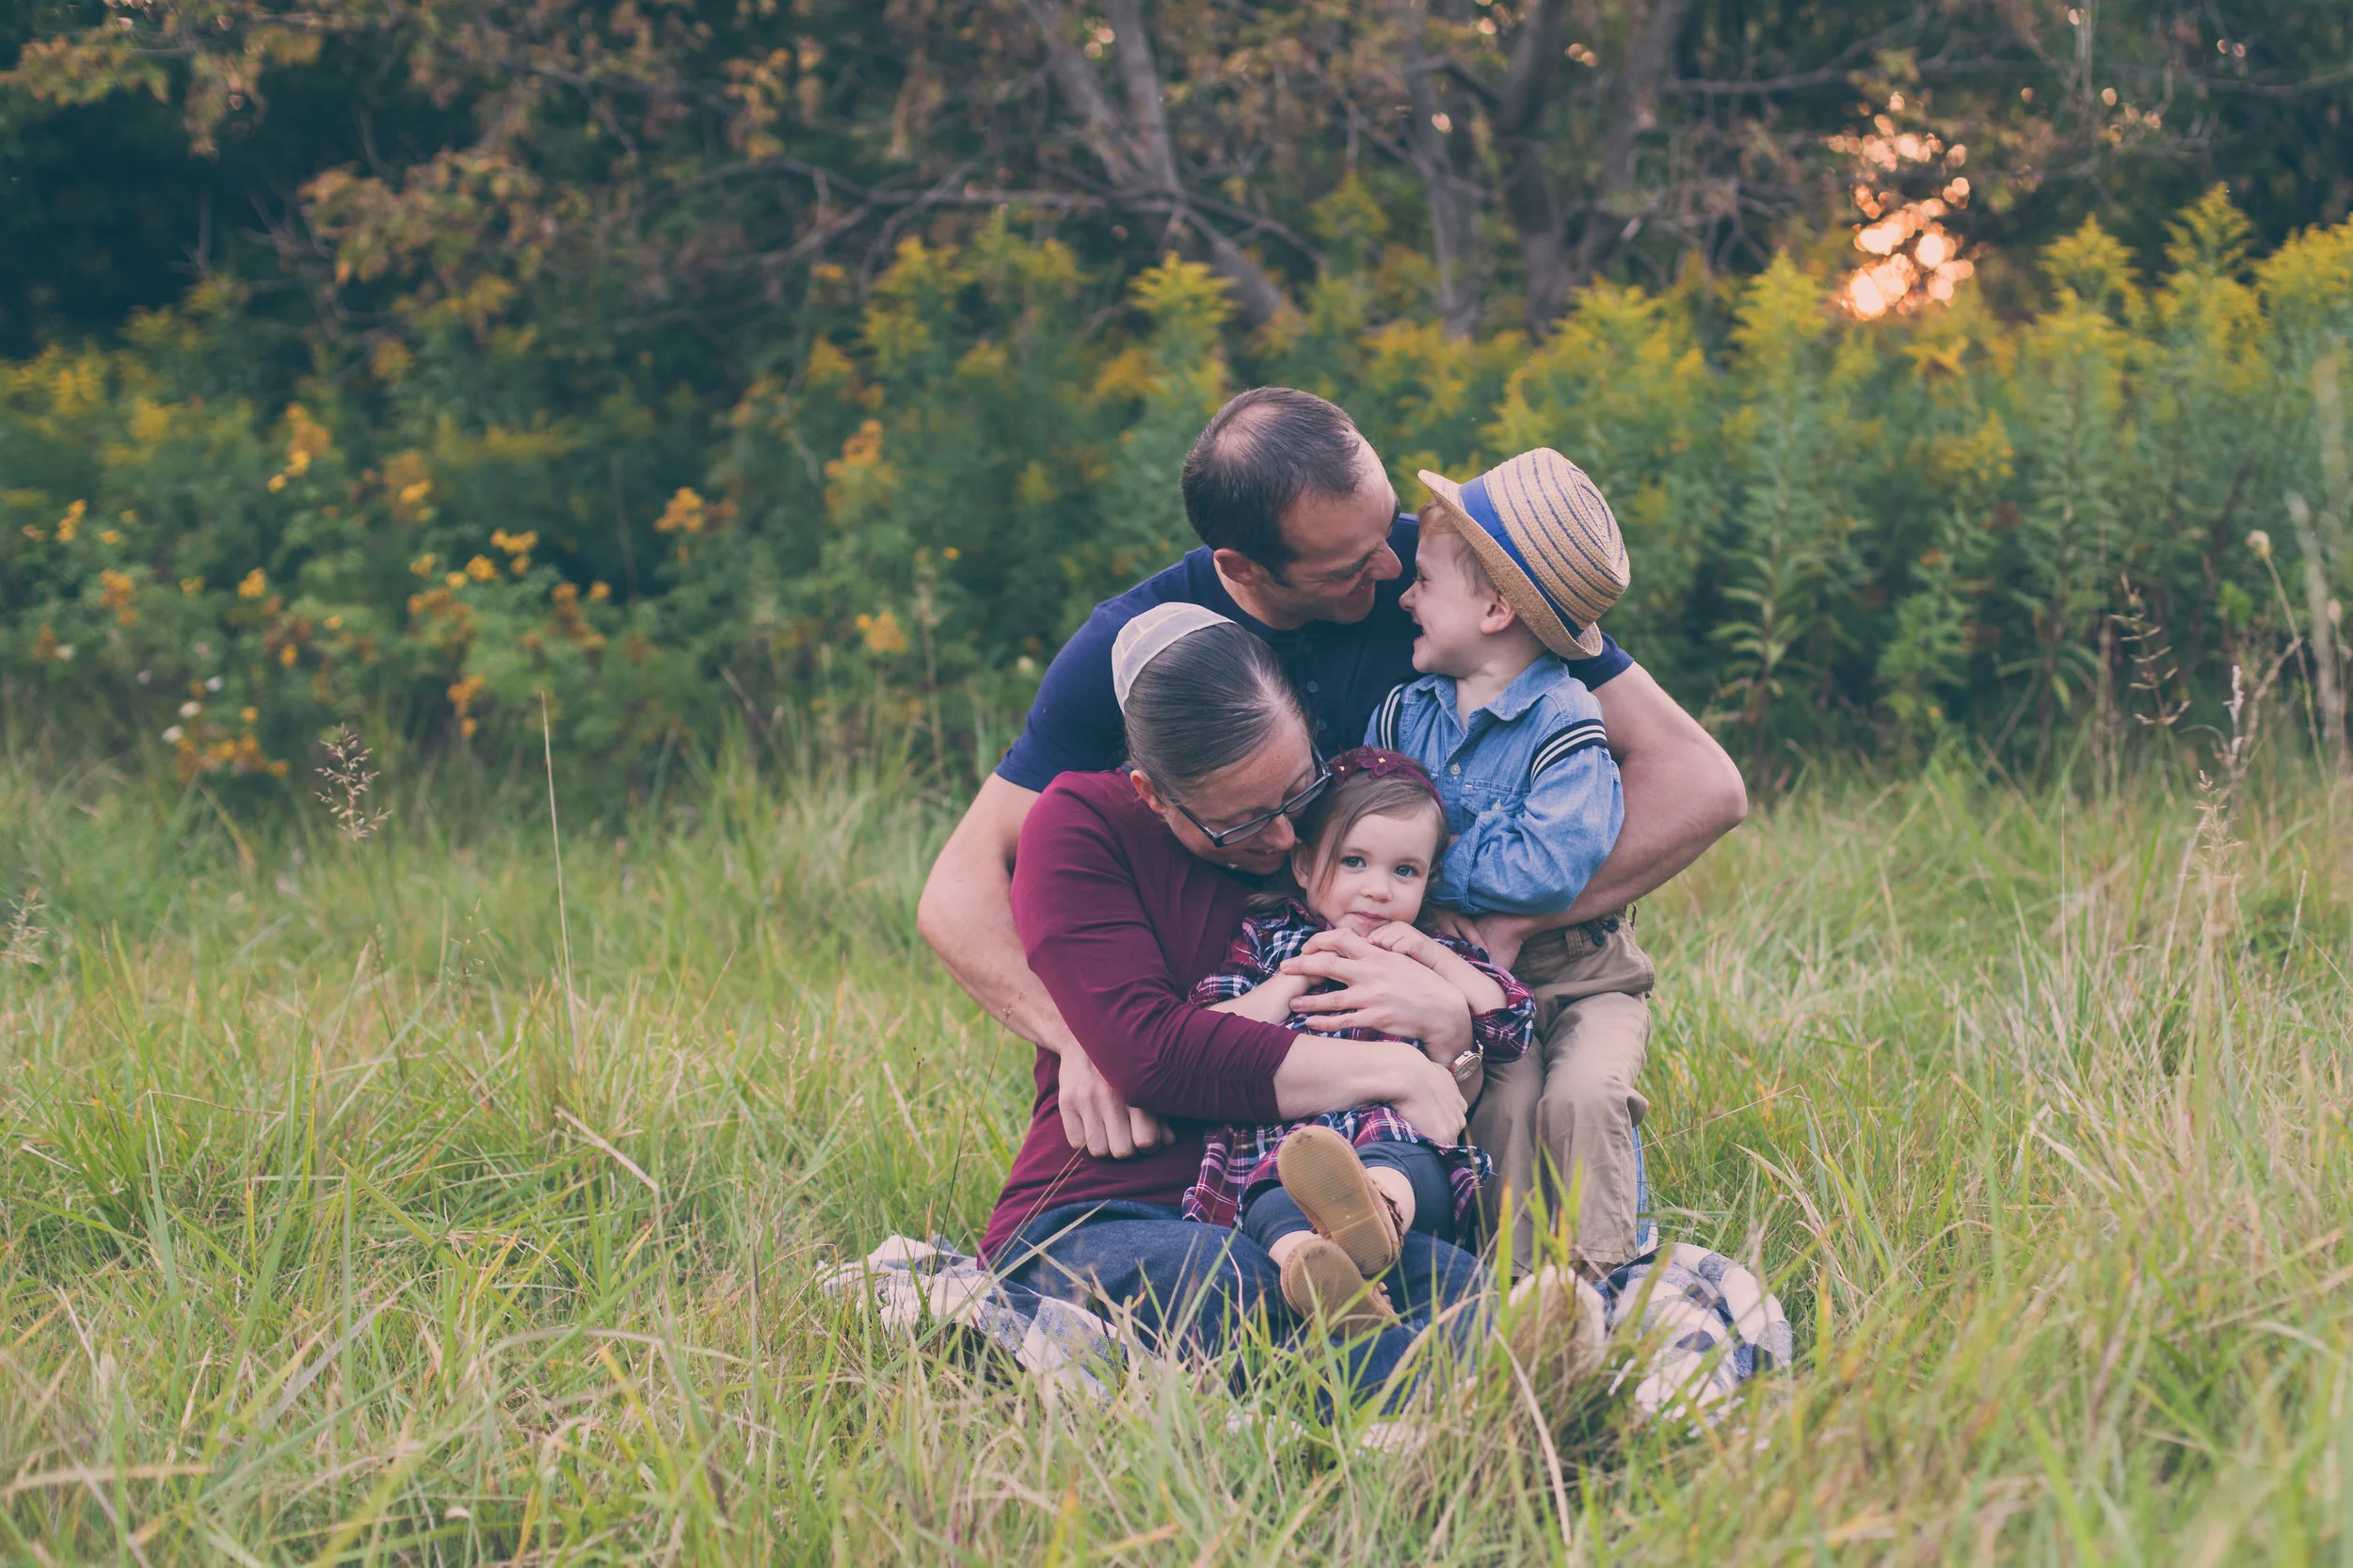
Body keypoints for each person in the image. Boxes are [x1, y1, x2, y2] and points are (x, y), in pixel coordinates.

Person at [918, 387, 1745, 1183]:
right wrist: (1089, 1043)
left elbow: (1699, 783)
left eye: (1391, 531)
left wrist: (1499, 925)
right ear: (1242, 565)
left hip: (1418, 962)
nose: (1391, 569)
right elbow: (957, 889)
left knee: (1507, 1132)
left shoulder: (1453, 578)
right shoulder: (1140, 653)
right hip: (1243, 996)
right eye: (1354, 565)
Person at [985, 606, 1593, 1402]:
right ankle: (1471, 1399)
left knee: (1438, 1273)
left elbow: (1453, 1060)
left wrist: (1447, 1036)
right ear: (1152, 795)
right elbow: (1152, 1053)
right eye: (1238, 823)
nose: (1278, 841)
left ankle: (1524, 1379)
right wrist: (1387, 1072)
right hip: (1102, 1213)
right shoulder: (1082, 824)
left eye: (1293, 793)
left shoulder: (1342, 839)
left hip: (1303, 1192)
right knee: (1234, 1281)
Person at [1372, 447, 1645, 1275]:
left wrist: (1424, 869)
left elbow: (1546, 868)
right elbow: (1363, 819)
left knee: (1584, 1096)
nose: (1406, 596)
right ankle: (1515, 1283)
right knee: (1506, 1101)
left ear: (1494, 608)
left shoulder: (1569, 722)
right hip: (1479, 976)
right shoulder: (1403, 716)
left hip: (1590, 973)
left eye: (1424, 582)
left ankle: (1602, 1277)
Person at [1180, 746, 1535, 1336]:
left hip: (1398, 1138)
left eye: (1405, 871)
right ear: (1302, 865)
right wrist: (1292, 976)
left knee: (1398, 1158)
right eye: (1353, 862)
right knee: (1271, 1198)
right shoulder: (1272, 942)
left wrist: (1429, 956)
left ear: (1429, 880)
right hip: (1280, 1144)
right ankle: (1314, 1273)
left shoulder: (1429, 948)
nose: (1377, 890)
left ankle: (1377, 1218)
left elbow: (1509, 1021)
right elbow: (1211, 1032)